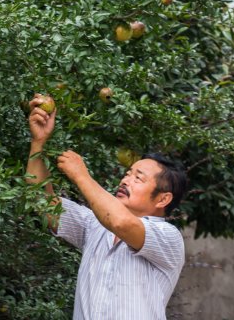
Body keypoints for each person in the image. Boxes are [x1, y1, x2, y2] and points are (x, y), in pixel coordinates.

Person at [25, 94, 187, 320]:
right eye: (127, 173)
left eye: (138, 178)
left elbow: (120, 222)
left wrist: (81, 175)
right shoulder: (96, 226)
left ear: (162, 199)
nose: (125, 180)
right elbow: (42, 203)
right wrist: (38, 143)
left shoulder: (168, 238)